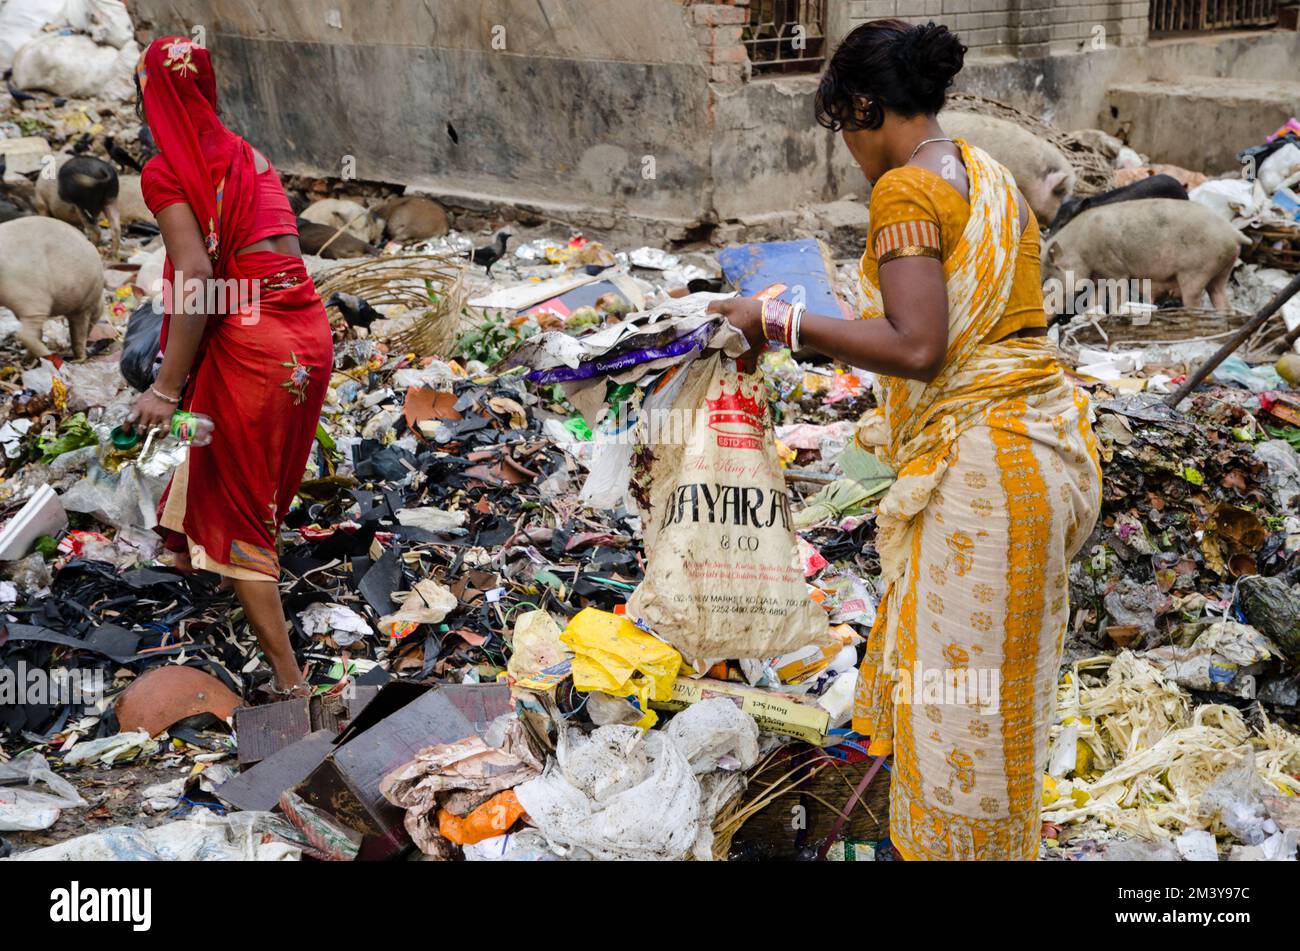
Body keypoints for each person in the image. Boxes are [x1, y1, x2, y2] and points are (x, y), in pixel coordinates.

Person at [709, 19, 1101, 860]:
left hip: (985, 473)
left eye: (844, 127)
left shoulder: (906, 192)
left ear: (862, 107)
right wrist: (816, 321)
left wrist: (776, 322)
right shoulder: (990, 179)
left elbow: (918, 347)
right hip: (1049, 451)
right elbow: (983, 333)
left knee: (957, 706)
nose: (850, 149)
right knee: (1002, 695)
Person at [131, 37, 333, 699]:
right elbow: (268, 256)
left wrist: (164, 386)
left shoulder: (166, 170)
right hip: (306, 338)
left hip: (254, 351)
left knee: (245, 510)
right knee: (250, 481)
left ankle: (288, 682)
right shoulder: (252, 157)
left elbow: (195, 276)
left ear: (151, 95)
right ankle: (225, 576)